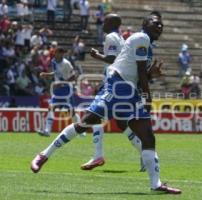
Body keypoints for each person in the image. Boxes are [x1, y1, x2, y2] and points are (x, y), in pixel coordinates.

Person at [31, 13, 181, 194]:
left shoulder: (147, 43)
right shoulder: (141, 38)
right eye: (155, 23)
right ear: (144, 24)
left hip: (129, 89)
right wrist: (147, 97)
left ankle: (155, 185)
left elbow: (137, 72)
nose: (160, 26)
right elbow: (140, 71)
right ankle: (43, 155)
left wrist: (150, 74)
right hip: (117, 86)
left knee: (148, 136)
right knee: (85, 122)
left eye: (161, 25)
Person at [81, 14, 144, 171]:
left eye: (105, 20)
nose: (102, 23)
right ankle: (145, 154)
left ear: (111, 23)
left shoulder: (110, 37)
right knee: (122, 124)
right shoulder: (121, 37)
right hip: (124, 84)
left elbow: (112, 59)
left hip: (116, 83)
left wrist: (97, 56)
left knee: (95, 117)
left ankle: (97, 156)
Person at [36, 47, 83, 137]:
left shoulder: (66, 63)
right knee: (51, 108)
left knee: (71, 111)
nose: (61, 54)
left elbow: (74, 76)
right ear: (55, 53)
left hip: (66, 89)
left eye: (62, 53)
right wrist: (46, 74)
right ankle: (47, 131)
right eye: (59, 52)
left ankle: (80, 130)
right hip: (57, 90)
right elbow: (55, 72)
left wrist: (63, 83)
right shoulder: (53, 61)